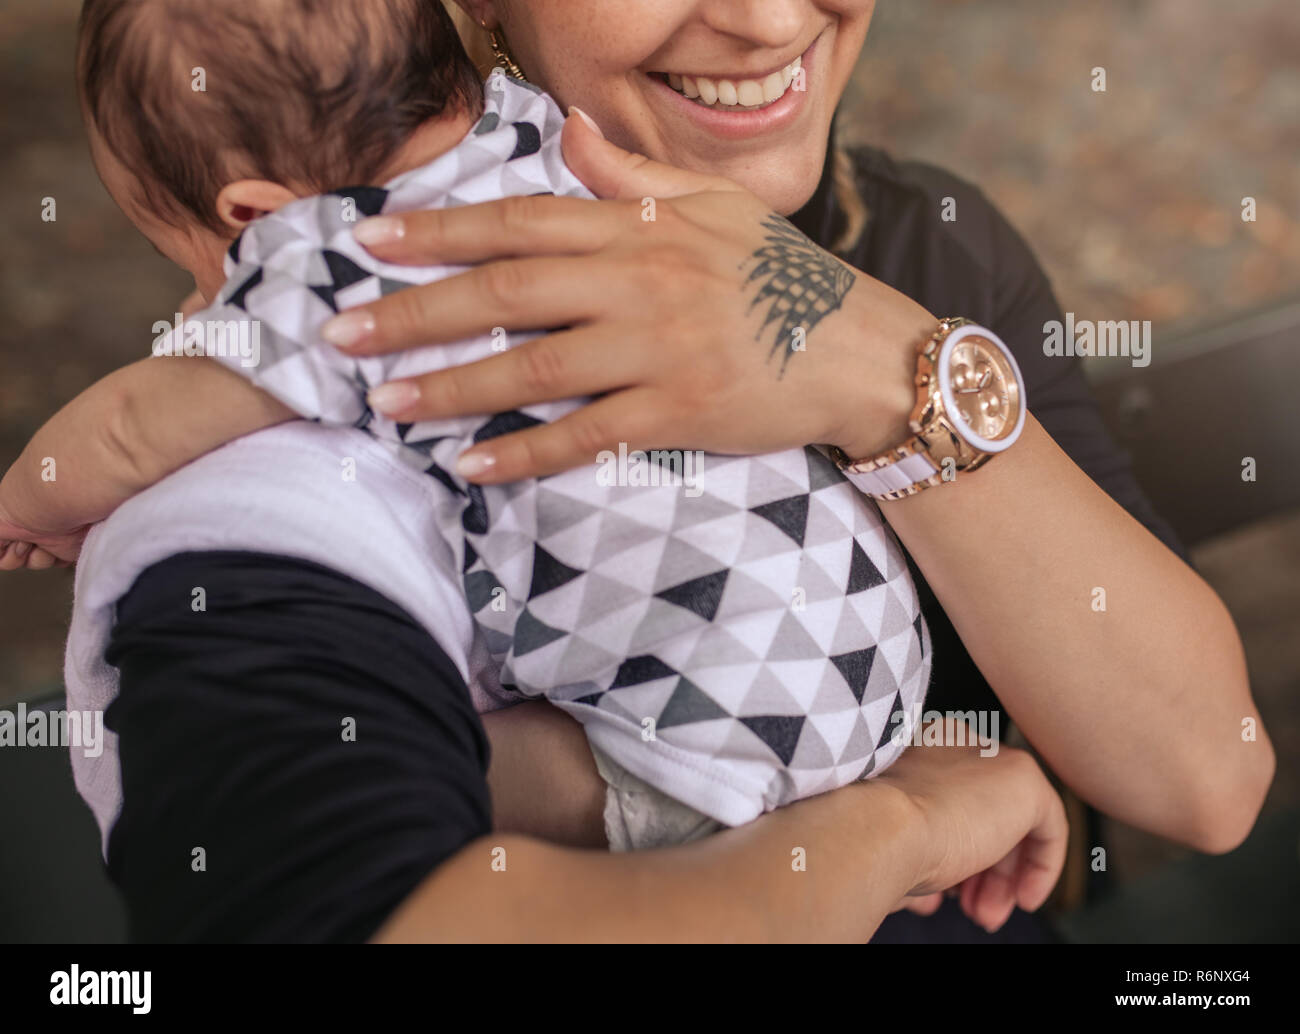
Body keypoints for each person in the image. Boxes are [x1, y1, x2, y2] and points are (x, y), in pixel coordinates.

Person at [15, 0, 1276, 941]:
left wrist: (870, 359)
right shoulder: (275, 487)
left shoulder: (918, 246)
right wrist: (900, 822)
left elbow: (1207, 775)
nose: (772, 19)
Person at [0, 0, 933, 853]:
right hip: (878, 649)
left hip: (727, 733)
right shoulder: (553, 142)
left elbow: (131, 426)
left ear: (254, 219)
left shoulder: (333, 263)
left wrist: (28, 503)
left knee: (393, 778)